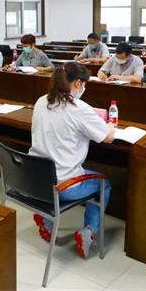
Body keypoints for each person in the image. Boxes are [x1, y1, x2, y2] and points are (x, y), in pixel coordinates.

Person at [30, 62, 115, 259]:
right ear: (78, 83)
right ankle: (88, 231)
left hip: (36, 180)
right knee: (105, 184)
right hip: (63, 186)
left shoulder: (41, 101)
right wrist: (110, 127)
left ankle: (46, 219)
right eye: (84, 84)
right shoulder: (79, 108)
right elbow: (108, 137)